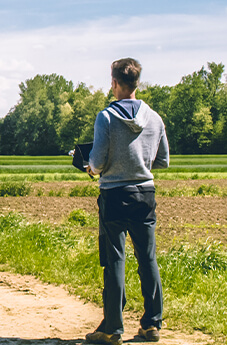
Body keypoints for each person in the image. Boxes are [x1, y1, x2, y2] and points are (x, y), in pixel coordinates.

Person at [85, 58, 169, 345]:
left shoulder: (106, 117)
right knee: (148, 258)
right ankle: (151, 324)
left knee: (115, 260)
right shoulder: (155, 118)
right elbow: (163, 160)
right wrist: (139, 165)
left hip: (114, 195)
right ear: (137, 82)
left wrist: (91, 168)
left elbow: (96, 162)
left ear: (116, 82)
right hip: (145, 193)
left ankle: (112, 328)